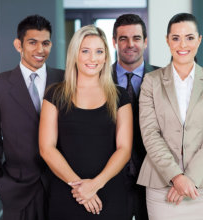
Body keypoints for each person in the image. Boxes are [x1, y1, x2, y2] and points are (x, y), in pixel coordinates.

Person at [137, 13, 203, 220]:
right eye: (175, 38)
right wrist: (176, 177)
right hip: (161, 184)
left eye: (189, 37)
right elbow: (150, 133)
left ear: (199, 40)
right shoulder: (151, 81)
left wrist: (190, 178)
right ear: (167, 40)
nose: (182, 44)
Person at [39, 25, 133, 219]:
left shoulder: (120, 96)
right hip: (66, 195)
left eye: (99, 51)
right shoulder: (55, 94)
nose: (93, 58)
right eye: (85, 51)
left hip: (110, 195)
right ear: (75, 55)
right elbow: (46, 148)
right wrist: (81, 188)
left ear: (106, 56)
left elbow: (124, 149)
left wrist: (95, 185)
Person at [0, 15, 64, 220]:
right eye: (32, 42)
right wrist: (0, 183)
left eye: (45, 43)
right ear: (18, 45)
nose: (40, 50)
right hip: (18, 192)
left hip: (62, 187)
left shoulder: (65, 80)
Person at [111, 13, 159, 220]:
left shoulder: (163, 78)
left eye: (136, 38)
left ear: (145, 42)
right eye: (123, 38)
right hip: (109, 178)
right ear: (114, 42)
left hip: (154, 177)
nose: (130, 44)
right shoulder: (97, 79)